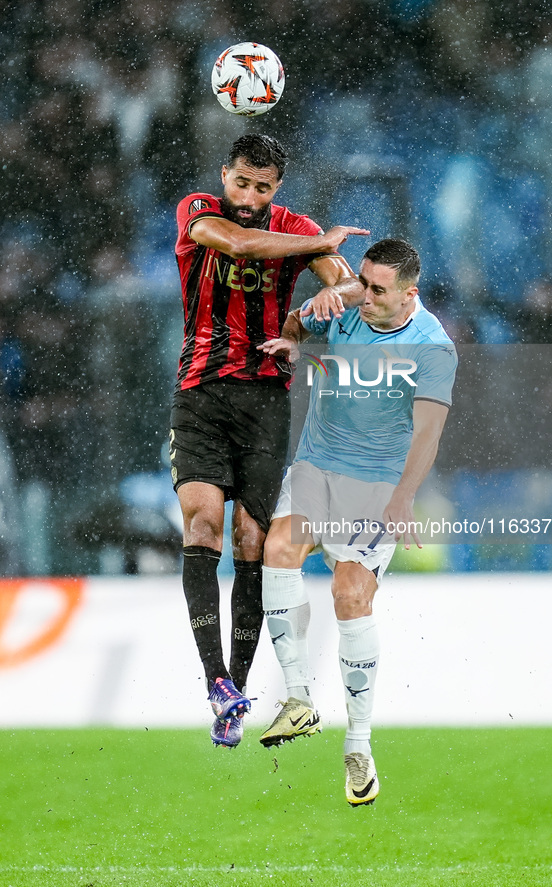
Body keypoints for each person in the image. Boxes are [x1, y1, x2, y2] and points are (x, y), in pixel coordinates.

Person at [170, 133, 369, 749]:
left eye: (263, 187)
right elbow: (235, 242)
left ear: (276, 187)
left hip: (264, 399)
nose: (250, 196)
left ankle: (239, 686)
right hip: (200, 390)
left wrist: (319, 304)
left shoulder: (294, 226)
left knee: (251, 537)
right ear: (224, 174)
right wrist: (317, 243)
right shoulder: (198, 210)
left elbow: (354, 285)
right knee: (201, 520)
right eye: (242, 183)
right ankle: (216, 682)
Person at [257, 238, 457, 804]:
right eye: (361, 282)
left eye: (377, 290)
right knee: (278, 551)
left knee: (349, 593)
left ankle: (360, 744)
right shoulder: (346, 301)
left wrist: (403, 498)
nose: (362, 296)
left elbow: (428, 432)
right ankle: (298, 700)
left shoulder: (433, 348)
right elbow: (302, 314)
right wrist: (294, 339)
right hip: (317, 466)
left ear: (409, 294)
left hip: (377, 485)